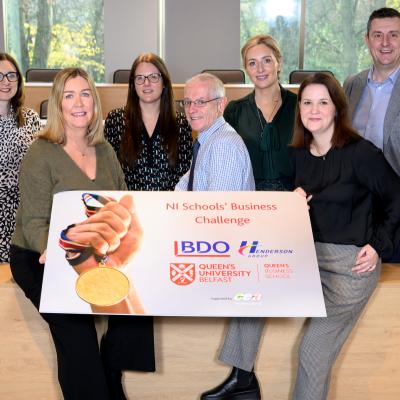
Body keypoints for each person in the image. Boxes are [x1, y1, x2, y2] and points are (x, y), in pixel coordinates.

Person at [10, 68, 154, 400]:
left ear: (95, 102)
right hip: (39, 255)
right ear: (58, 104)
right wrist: (55, 252)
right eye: (70, 95)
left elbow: (122, 200)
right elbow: (32, 222)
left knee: (135, 303)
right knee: (75, 330)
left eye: (85, 94)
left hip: (94, 255)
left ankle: (110, 378)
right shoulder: (41, 152)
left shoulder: (104, 151)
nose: (79, 103)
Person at [291, 72, 400, 400]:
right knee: (250, 308)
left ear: (337, 107)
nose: (314, 109)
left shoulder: (361, 153)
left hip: (349, 269)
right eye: (307, 102)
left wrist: (379, 246)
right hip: (310, 262)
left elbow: (397, 197)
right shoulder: (297, 154)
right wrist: (292, 203)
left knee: (311, 351)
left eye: (323, 102)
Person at [200, 35, 297, 400]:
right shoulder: (235, 112)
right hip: (251, 207)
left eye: (266, 60)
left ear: (279, 62)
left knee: (259, 283)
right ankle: (243, 376)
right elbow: (210, 151)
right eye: (253, 62)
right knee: (251, 284)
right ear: (246, 67)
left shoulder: (300, 105)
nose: (260, 68)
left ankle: (242, 379)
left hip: (295, 206)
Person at [343, 7, 400, 261]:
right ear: (367, 40)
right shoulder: (352, 85)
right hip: (356, 207)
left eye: (394, 35)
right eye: (378, 35)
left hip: (395, 207)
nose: (385, 43)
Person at [104, 52, 192, 191]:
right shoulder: (116, 120)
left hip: (168, 207)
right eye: (140, 78)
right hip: (130, 207)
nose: (146, 83)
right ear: (133, 84)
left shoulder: (181, 124)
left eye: (153, 77)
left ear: (164, 83)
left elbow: (184, 176)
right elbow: (109, 173)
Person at [175, 72, 254, 192]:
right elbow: (183, 188)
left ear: (221, 104)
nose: (191, 110)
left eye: (200, 102)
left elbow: (218, 207)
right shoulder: (207, 139)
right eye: (187, 102)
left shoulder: (223, 145)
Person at [0, 52, 40, 263]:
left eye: (11, 75)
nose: (6, 82)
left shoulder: (30, 118)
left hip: (24, 208)